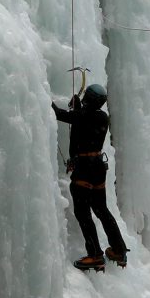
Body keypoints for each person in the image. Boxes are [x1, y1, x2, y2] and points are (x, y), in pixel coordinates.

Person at [52, 83, 128, 272]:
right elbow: (84, 121)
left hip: (84, 169)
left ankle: (94, 255)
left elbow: (61, 114)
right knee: (101, 210)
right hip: (98, 167)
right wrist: (78, 107)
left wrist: (46, 99)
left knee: (82, 212)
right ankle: (118, 249)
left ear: (89, 99)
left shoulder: (82, 116)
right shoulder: (102, 117)